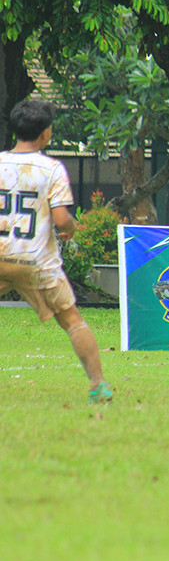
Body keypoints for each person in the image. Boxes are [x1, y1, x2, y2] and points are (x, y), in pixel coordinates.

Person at [0, 99, 112, 404]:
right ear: (46, 134)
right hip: (35, 260)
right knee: (73, 321)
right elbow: (62, 220)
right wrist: (70, 229)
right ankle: (99, 385)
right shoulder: (51, 169)